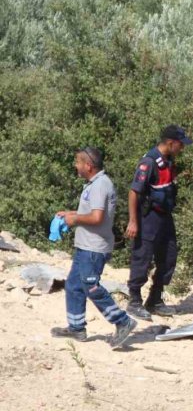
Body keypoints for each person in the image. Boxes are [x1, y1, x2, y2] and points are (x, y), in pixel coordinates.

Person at [51, 147, 138, 347]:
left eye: (78, 162)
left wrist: (74, 220)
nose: (76, 166)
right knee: (73, 286)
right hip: (85, 246)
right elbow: (92, 211)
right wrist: (70, 213)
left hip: (94, 248)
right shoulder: (94, 184)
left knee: (91, 287)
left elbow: (97, 217)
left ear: (88, 166)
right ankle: (76, 328)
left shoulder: (100, 185)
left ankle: (123, 321)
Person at [125, 125, 192, 320]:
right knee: (142, 257)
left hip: (165, 217)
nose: (182, 148)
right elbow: (134, 192)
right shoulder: (149, 162)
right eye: (180, 144)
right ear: (170, 143)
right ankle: (135, 301)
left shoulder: (169, 161)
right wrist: (133, 221)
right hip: (148, 218)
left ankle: (155, 300)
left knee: (169, 256)